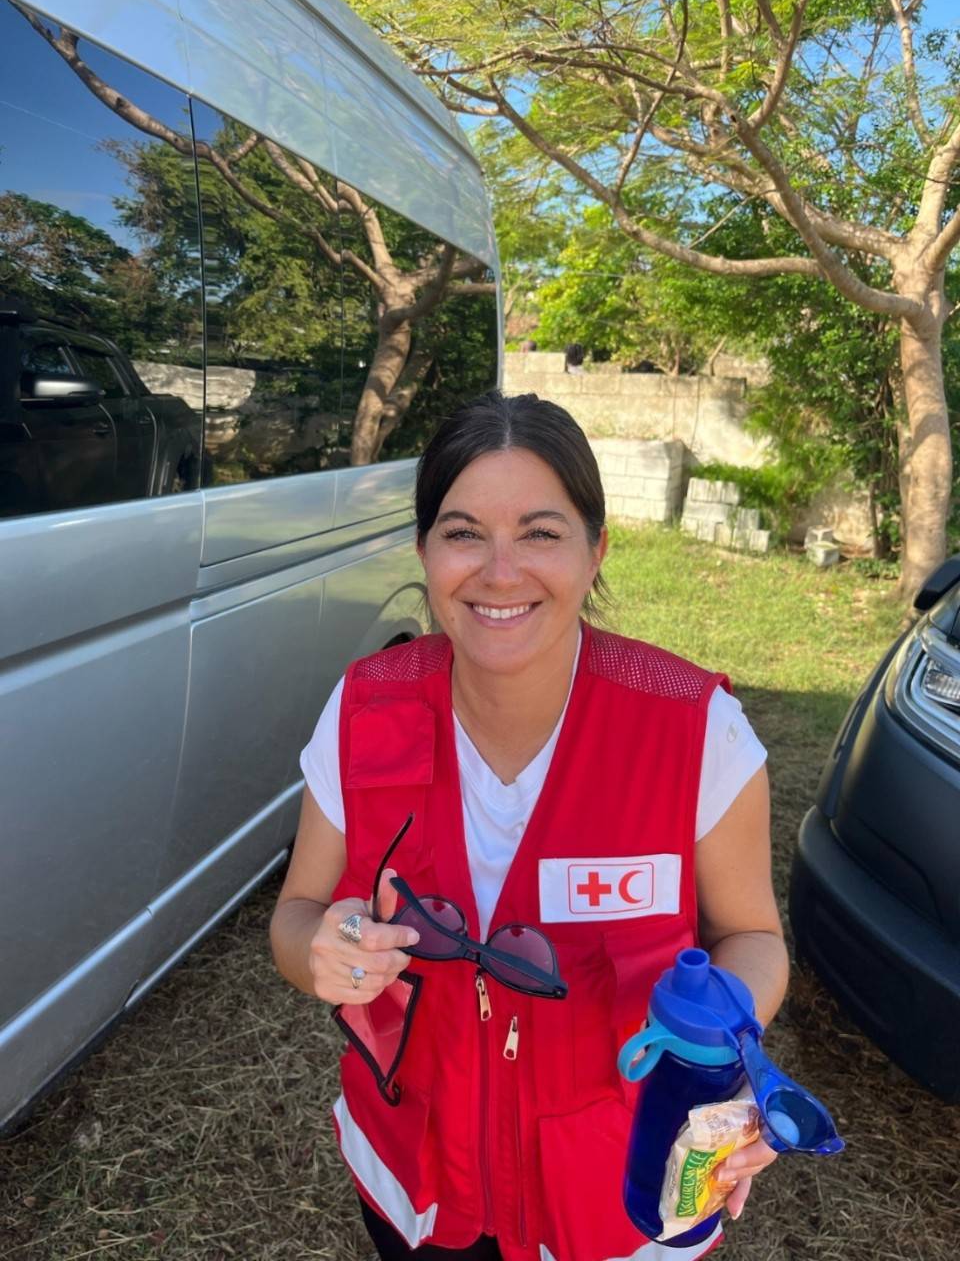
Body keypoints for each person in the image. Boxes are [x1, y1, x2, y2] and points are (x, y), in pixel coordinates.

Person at [270, 391, 788, 1261]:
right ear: (425, 553)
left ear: (596, 551)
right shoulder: (365, 708)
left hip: (618, 1195)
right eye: (463, 532)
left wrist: (729, 1067)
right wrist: (324, 948)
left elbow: (753, 934)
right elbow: (298, 917)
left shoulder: (696, 730)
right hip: (419, 1183)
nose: (499, 572)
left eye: (541, 533)